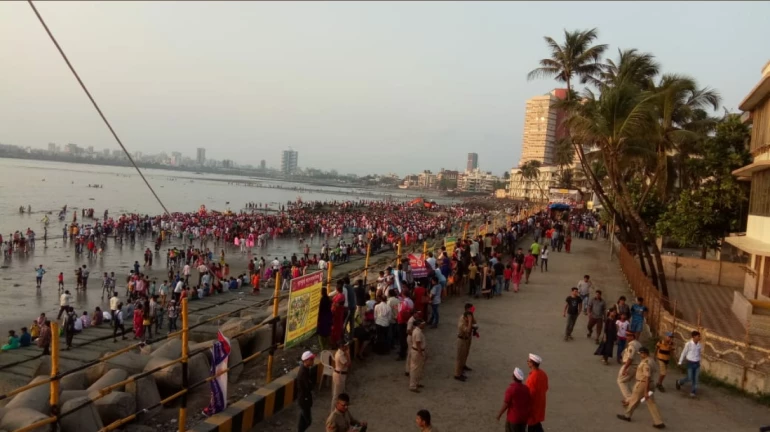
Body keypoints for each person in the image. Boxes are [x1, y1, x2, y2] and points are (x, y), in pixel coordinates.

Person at [616, 347, 666, 429]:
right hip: (651, 384)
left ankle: (627, 415)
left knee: (634, 400)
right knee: (651, 403)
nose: (640, 355)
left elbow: (647, 377)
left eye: (641, 354)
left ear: (644, 353)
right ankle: (658, 421)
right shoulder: (651, 361)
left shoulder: (646, 363)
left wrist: (645, 391)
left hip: (643, 384)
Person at [497, 367, 531, 432]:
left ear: (513, 377)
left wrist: (499, 414)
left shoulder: (511, 389)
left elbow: (506, 404)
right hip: (523, 419)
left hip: (513, 419)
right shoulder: (526, 389)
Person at [525, 353, 548, 432]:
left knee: (532, 426)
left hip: (533, 407)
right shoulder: (543, 374)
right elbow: (546, 388)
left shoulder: (532, 377)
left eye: (528, 361)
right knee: (536, 424)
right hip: (540, 404)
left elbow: (529, 394)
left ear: (532, 363)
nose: (527, 362)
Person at [675, 330, 702, 398]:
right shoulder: (688, 344)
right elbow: (684, 353)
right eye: (698, 336)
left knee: (696, 378)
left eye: (699, 336)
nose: (699, 337)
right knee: (690, 378)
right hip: (690, 363)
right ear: (694, 337)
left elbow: (699, 354)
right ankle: (679, 382)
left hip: (697, 363)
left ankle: (693, 392)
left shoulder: (699, 345)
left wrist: (699, 361)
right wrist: (680, 362)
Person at [618, 332, 641, 405]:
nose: (626, 337)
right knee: (630, 383)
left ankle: (629, 399)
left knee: (621, 381)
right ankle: (632, 398)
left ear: (633, 336)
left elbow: (630, 358)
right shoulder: (638, 344)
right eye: (626, 335)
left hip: (631, 365)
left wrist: (625, 368)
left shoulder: (632, 345)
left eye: (628, 335)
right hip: (637, 365)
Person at [297, 350, 315, 432]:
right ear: (306, 360)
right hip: (304, 399)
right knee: (308, 421)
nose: (313, 361)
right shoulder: (303, 372)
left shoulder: (306, 369)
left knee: (303, 419)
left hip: (304, 399)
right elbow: (308, 386)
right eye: (311, 359)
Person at [331, 340, 351, 411]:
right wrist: (348, 354)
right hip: (339, 376)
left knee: (339, 394)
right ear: (342, 347)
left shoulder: (340, 353)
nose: (347, 347)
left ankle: (338, 409)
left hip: (340, 374)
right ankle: (333, 411)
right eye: (345, 346)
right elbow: (348, 364)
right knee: (337, 395)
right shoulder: (340, 355)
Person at [409, 319, 427, 393]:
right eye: (423, 324)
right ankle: (413, 385)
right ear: (419, 324)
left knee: (418, 368)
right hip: (417, 351)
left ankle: (416, 383)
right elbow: (418, 343)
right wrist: (421, 353)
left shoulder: (416, 331)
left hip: (416, 351)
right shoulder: (418, 332)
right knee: (415, 369)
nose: (424, 325)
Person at [454, 311, 473, 382]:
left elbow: (474, 322)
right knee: (460, 358)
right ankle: (457, 374)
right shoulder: (461, 323)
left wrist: (471, 319)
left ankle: (462, 369)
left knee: (465, 355)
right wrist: (470, 321)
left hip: (466, 339)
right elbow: (468, 330)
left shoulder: (465, 318)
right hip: (461, 340)